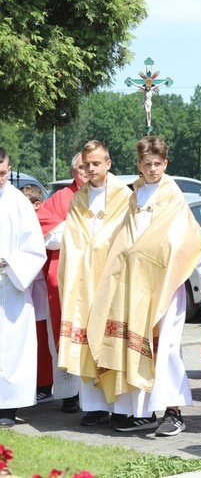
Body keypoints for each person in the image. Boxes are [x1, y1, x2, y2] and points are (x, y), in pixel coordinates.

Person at [85, 136, 201, 436]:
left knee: (165, 346)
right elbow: (124, 237)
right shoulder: (134, 196)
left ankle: (174, 411)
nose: (153, 169)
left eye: (158, 164)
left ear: (166, 163)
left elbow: (185, 238)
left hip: (165, 282)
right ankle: (137, 411)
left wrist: (149, 254)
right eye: (147, 164)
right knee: (132, 341)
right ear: (138, 166)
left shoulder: (173, 196)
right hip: (134, 283)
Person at [57, 141, 132, 427]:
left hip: (112, 277)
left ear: (108, 164)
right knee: (87, 336)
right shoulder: (79, 199)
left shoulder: (124, 197)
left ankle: (120, 406)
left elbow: (125, 236)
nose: (91, 169)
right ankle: (95, 406)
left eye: (96, 164)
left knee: (110, 338)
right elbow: (73, 239)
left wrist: (100, 251)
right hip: (85, 278)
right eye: (86, 164)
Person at [36, 153, 88, 413]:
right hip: (64, 275)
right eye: (81, 167)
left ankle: (95, 397)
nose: (86, 171)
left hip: (94, 275)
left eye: (90, 166)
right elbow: (45, 234)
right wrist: (79, 228)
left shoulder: (107, 195)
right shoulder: (59, 199)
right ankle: (69, 394)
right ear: (72, 170)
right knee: (65, 333)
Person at [0, 148, 47, 427]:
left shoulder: (18, 203)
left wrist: (7, 262)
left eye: (3, 173)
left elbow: (35, 251)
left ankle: (6, 406)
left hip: (9, 287)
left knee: (9, 347)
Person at [21, 184, 55, 405]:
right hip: (25, 285)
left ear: (37, 205)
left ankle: (44, 384)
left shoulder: (43, 219)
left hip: (40, 289)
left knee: (42, 338)